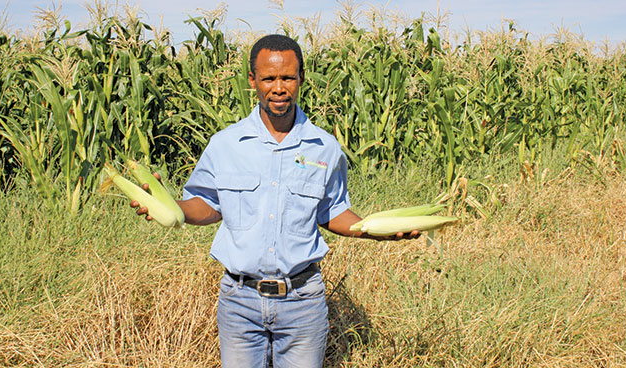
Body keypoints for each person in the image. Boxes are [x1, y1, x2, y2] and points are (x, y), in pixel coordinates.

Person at [132, 34, 419, 368]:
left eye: (288, 78)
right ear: (252, 80)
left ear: (301, 79)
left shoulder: (323, 148)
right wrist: (166, 205)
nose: (279, 87)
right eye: (269, 78)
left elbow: (332, 212)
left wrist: (378, 231)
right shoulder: (226, 144)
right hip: (240, 301)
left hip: (303, 302)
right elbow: (208, 204)